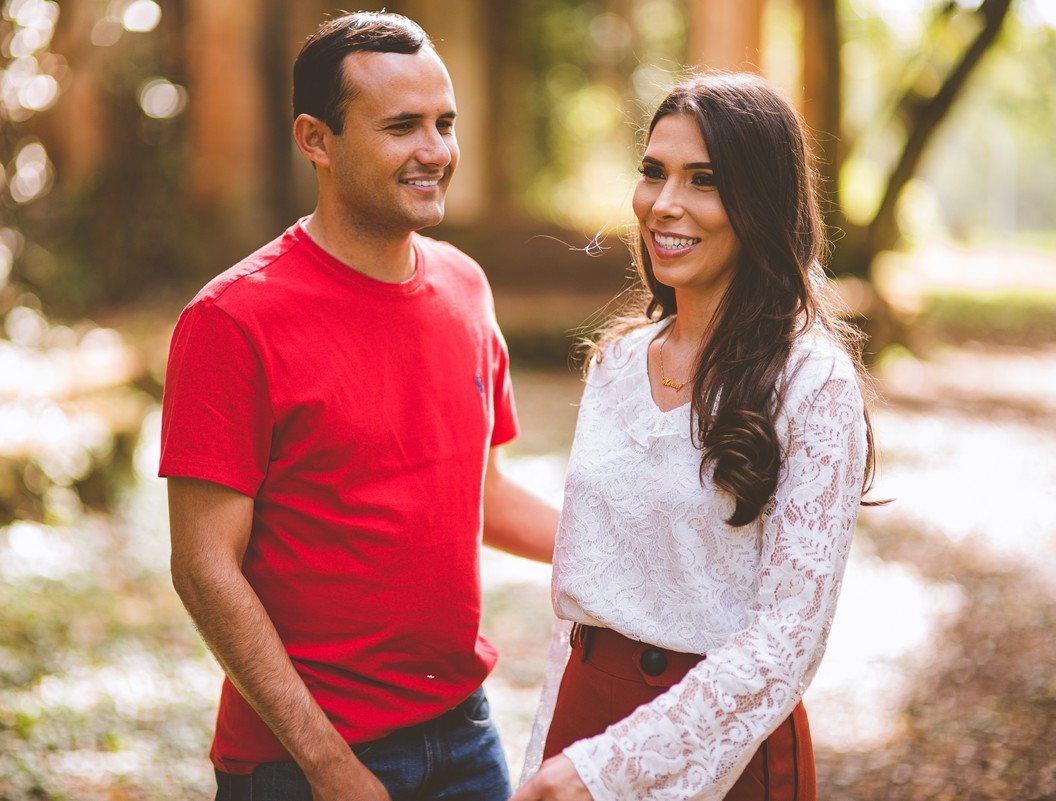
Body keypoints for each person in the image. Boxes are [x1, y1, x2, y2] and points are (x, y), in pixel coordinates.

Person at [158, 11, 558, 801]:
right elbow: (204, 567)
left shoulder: (466, 287)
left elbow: (486, 495)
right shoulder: (232, 320)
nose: (436, 151)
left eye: (444, 124)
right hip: (298, 759)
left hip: (466, 735)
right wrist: (331, 766)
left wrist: (642, 546)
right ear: (317, 140)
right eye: (403, 126)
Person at [511, 72, 879, 801]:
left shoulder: (813, 385)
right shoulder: (617, 363)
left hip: (721, 741)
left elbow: (786, 642)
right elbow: (582, 602)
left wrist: (606, 770)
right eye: (654, 172)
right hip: (580, 716)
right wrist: (550, 758)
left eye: (704, 180)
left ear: (759, 205)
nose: (665, 203)